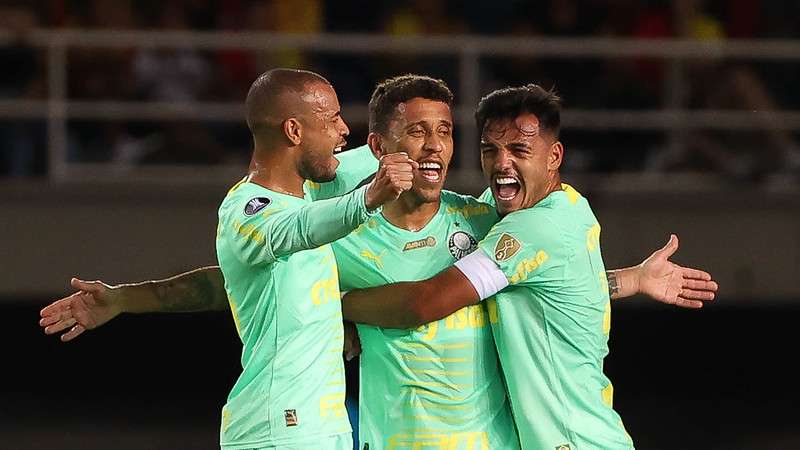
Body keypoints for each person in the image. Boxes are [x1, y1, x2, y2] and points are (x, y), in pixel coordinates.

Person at [41, 79, 717, 449]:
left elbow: (541, 287)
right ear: (378, 147)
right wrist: (126, 299)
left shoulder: (480, 220)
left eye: (446, 131)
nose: (434, 145)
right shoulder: (340, 231)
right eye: (415, 132)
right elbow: (236, 284)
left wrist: (632, 278)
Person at [340, 84, 716, 449]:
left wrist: (339, 305)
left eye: (520, 149)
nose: (503, 163)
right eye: (490, 149)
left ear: (554, 157)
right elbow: (551, 287)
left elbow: (425, 303)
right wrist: (630, 279)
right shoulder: (551, 208)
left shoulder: (532, 226)